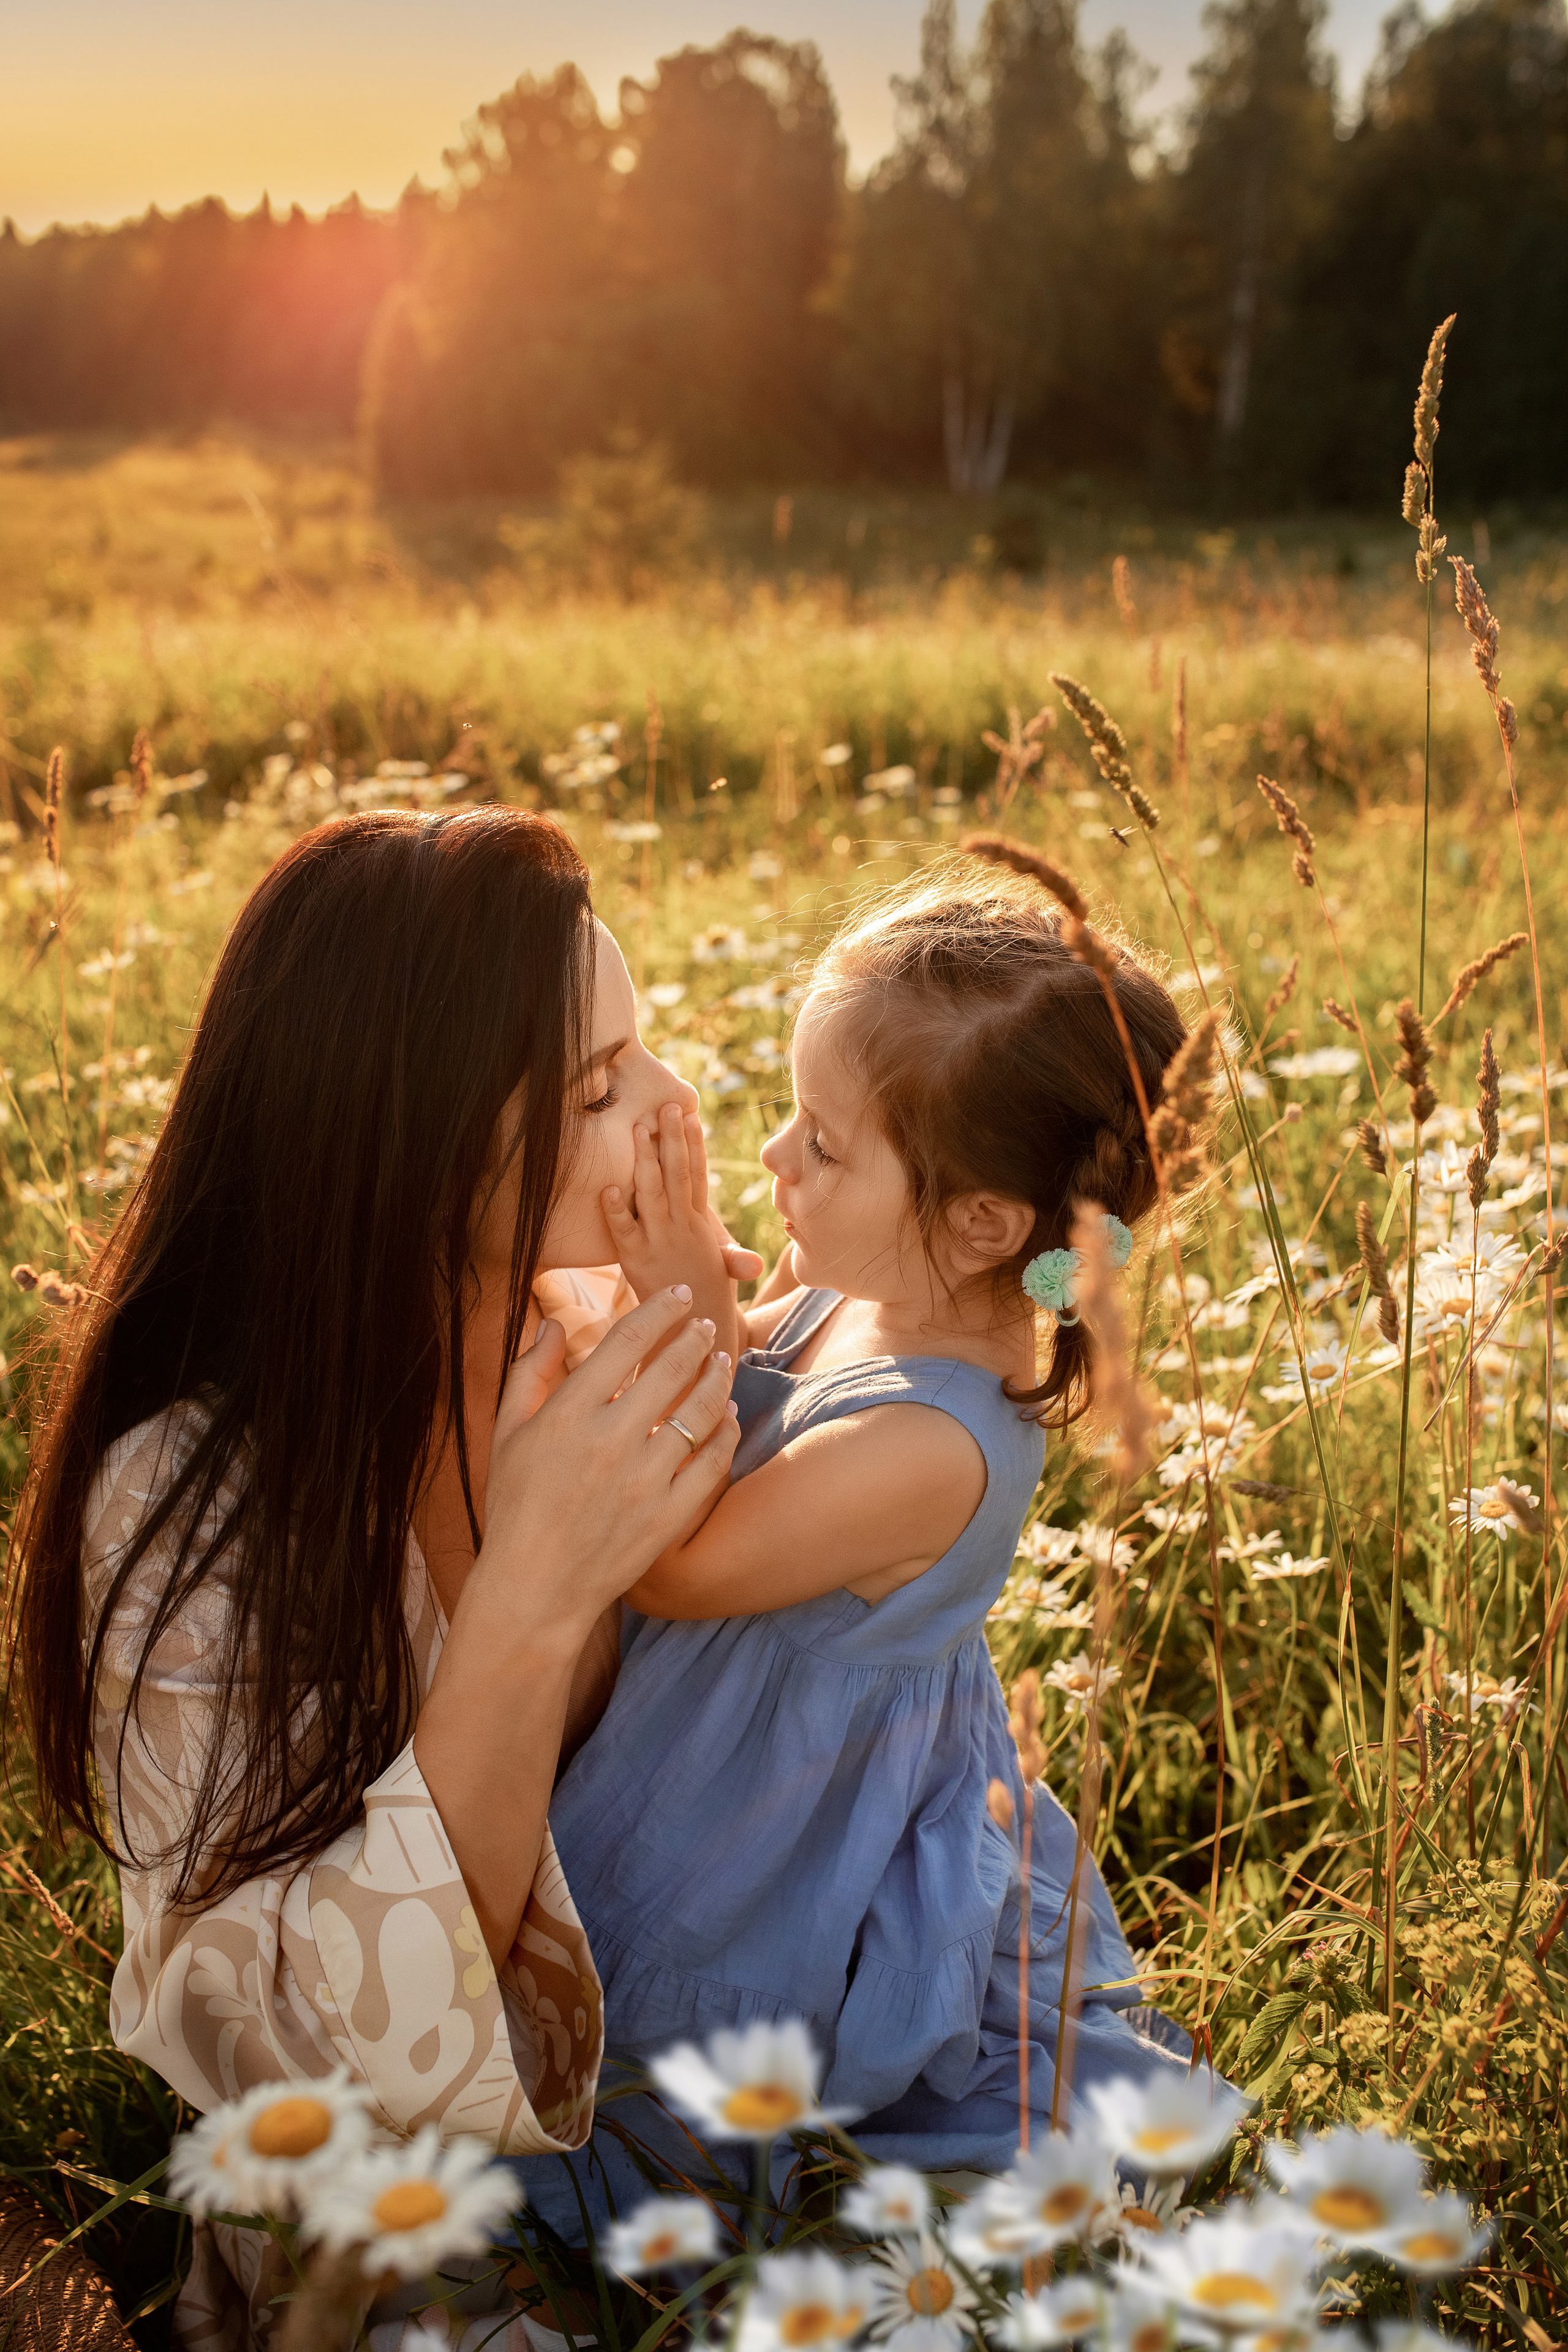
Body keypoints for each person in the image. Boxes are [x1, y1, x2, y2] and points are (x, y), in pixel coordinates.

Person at [7, 807, 750, 2350]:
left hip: (727, 2122)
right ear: (404, 1144)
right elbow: (316, 2080)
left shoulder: (608, 1343)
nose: (672, 1107)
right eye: (603, 1086)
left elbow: (993, 1316)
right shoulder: (192, 1503)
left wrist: (1057, 1304)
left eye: (645, 1052)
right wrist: (533, 1599)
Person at [529, 848, 1196, 2234]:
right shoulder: (860, 1291)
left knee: (664, 2072)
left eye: (821, 1146)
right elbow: (748, 1366)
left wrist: (681, 1300)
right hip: (716, 1729)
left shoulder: (934, 1443)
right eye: (790, 1118)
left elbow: (680, 1559)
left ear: (979, 1225)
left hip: (771, 1805)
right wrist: (704, 1307)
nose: (775, 1159)